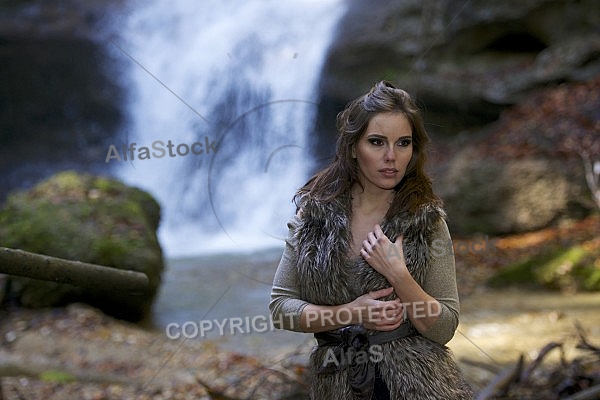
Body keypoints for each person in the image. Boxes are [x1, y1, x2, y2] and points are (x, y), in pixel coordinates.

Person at [269, 81, 473, 399]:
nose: (391, 157)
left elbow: (444, 328)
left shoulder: (426, 221)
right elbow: (281, 308)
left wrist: (399, 274)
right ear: (353, 147)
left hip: (417, 386)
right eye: (377, 142)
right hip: (336, 384)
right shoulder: (312, 219)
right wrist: (352, 312)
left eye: (403, 143)